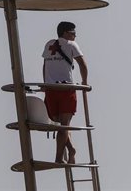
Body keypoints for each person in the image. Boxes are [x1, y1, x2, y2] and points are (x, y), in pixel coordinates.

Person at [42, 21, 88, 164]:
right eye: (73, 33)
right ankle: (71, 149)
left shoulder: (49, 44)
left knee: (62, 125)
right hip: (65, 89)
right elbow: (82, 63)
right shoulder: (70, 44)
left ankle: (58, 158)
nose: (75, 36)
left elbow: (44, 66)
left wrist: (45, 82)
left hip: (52, 88)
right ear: (65, 33)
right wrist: (84, 82)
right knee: (60, 123)